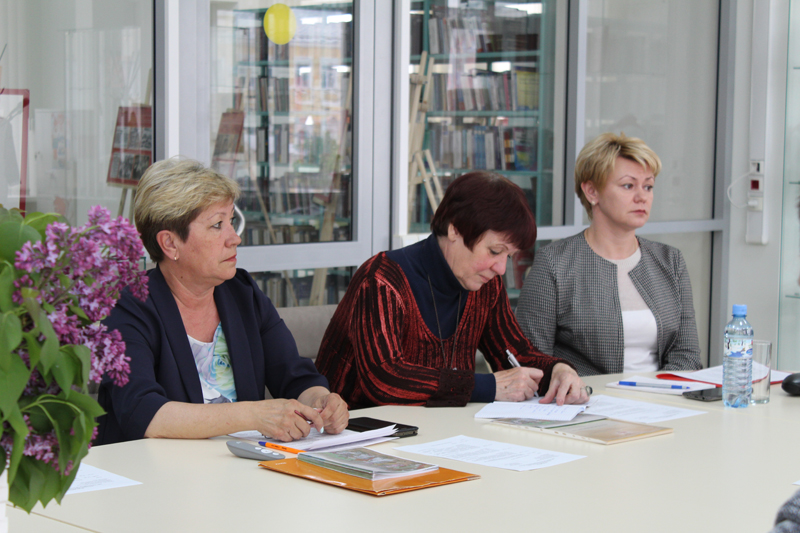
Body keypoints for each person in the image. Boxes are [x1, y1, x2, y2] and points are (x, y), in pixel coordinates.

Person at [97, 158, 348, 445]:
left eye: (231, 221)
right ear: (170, 243)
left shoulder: (242, 292)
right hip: (153, 470)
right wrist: (253, 415)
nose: (234, 238)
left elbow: (295, 376)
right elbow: (142, 412)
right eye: (217, 225)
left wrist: (321, 401)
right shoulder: (129, 307)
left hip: (240, 465)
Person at [315, 171, 589, 409]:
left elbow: (515, 355)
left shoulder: (485, 285)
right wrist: (486, 387)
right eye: (495, 251)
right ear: (455, 230)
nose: (501, 269)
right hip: (352, 434)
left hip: (439, 432)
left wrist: (558, 370)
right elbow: (385, 380)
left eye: (508, 256)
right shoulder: (380, 280)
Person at [516, 132, 702, 376]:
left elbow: (688, 355)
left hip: (661, 396)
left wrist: (659, 390)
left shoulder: (670, 261)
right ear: (592, 192)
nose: (642, 197)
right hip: (585, 397)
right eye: (628, 185)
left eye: (648, 186)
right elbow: (531, 359)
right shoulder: (554, 263)